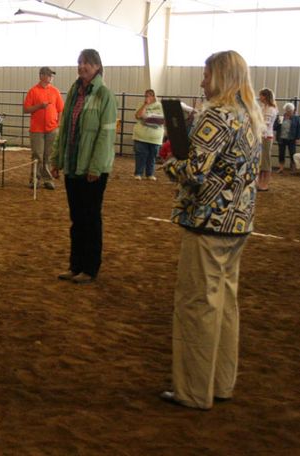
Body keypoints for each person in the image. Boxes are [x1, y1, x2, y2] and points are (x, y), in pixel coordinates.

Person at [161, 50, 263, 410]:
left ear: (218, 76)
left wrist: (170, 163)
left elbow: (194, 171)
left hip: (208, 222)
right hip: (238, 223)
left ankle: (192, 390)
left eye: (206, 75)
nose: (202, 81)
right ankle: (220, 382)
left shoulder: (216, 116)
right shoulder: (249, 116)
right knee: (225, 305)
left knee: (197, 305)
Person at [50, 49, 117, 284]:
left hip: (92, 170)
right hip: (73, 166)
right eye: (80, 62)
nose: (82, 66)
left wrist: (96, 167)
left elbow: (105, 136)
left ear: (97, 66)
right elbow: (64, 128)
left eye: (87, 63)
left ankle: (90, 268)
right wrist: (57, 160)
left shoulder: (104, 95)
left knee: (90, 218)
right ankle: (75, 265)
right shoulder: (73, 93)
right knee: (76, 219)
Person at [23, 66, 64, 190]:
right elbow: (26, 109)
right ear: (41, 76)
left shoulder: (55, 91)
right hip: (37, 130)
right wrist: (39, 106)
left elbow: (60, 109)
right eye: (49, 75)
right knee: (37, 155)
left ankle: (47, 179)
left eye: (51, 75)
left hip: (51, 129)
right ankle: (34, 179)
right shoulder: (33, 91)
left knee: (47, 155)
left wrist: (58, 123)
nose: (51, 77)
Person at [132, 89, 164, 180]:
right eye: (146, 95)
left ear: (154, 96)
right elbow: (138, 116)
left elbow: (162, 119)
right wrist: (145, 105)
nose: (147, 97)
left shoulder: (160, 106)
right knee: (140, 155)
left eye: (150, 95)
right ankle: (138, 173)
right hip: (141, 136)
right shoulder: (140, 105)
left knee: (152, 157)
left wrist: (148, 118)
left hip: (155, 137)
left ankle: (150, 174)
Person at [256, 88, 277, 190]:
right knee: (261, 161)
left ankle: (265, 184)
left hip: (266, 136)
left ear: (265, 96)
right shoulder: (264, 108)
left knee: (266, 161)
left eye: (261, 95)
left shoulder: (270, 109)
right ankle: (260, 182)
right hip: (261, 136)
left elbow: (266, 124)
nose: (259, 97)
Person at [273, 102, 300, 174]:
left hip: (292, 138)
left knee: (292, 154)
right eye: (288, 111)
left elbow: (298, 128)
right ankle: (281, 168)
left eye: (290, 111)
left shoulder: (296, 118)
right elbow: (275, 127)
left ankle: (293, 169)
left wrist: (297, 138)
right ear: (285, 110)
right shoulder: (281, 117)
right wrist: (277, 122)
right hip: (282, 138)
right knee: (281, 153)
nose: (289, 112)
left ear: (293, 110)